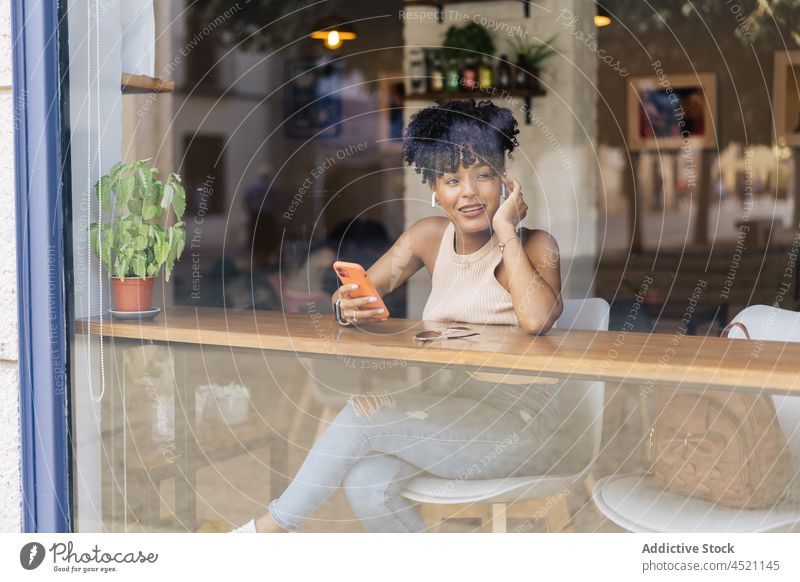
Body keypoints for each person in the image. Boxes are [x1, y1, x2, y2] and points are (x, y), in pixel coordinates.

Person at [233, 99, 564, 533]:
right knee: (367, 482)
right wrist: (346, 306)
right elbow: (359, 289)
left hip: (522, 427)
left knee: (356, 418)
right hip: (449, 410)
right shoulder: (428, 236)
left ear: (505, 183)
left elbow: (538, 320)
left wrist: (506, 234)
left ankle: (265, 534)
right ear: (434, 189)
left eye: (482, 175)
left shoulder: (535, 245)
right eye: (451, 180)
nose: (468, 191)